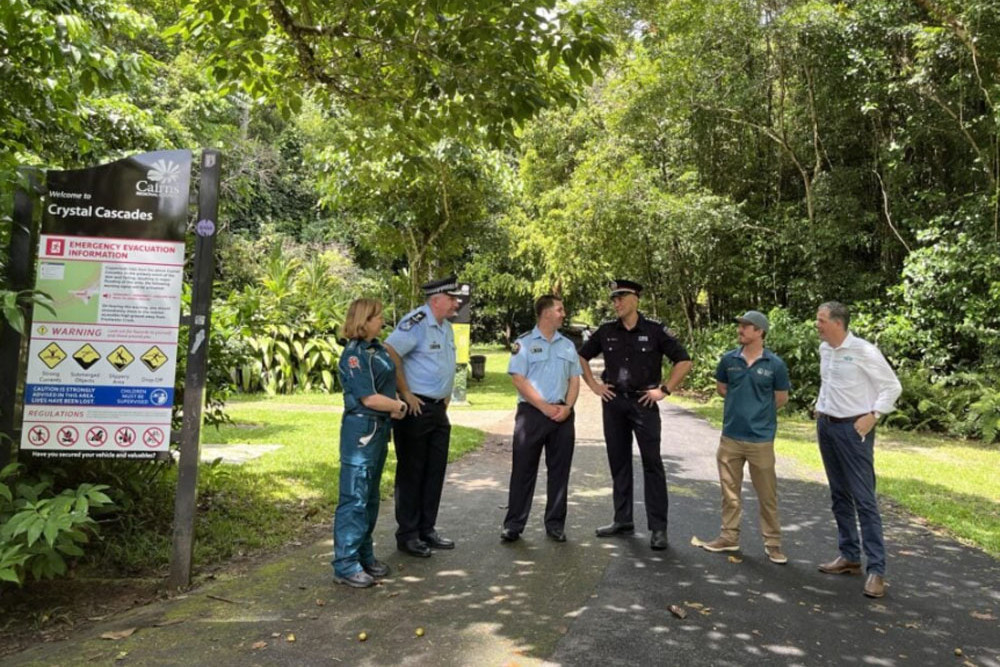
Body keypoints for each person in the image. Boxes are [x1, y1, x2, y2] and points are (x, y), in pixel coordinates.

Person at [578, 280, 692, 550]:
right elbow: (581, 357)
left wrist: (664, 389)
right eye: (614, 298)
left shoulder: (655, 331)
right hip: (614, 402)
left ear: (635, 299)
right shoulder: (606, 331)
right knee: (619, 462)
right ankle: (623, 520)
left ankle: (658, 528)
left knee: (652, 464)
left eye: (621, 297)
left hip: (644, 404)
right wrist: (594, 385)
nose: (616, 303)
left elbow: (684, 360)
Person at [814, 301, 901, 599]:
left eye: (822, 320)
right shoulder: (825, 349)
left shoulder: (864, 351)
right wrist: (820, 406)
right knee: (838, 494)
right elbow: (829, 383)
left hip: (853, 431)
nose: (817, 324)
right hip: (826, 427)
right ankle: (849, 556)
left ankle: (876, 570)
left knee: (864, 500)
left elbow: (892, 387)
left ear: (838, 323)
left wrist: (874, 415)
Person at [698, 310, 790, 564]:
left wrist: (758, 413)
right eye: (740, 325)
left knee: (767, 495)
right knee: (729, 493)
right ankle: (729, 537)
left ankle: (773, 544)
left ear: (759, 332)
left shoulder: (775, 365)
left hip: (761, 440)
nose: (740, 330)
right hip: (731, 437)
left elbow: (780, 398)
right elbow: (722, 387)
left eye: (746, 327)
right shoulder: (729, 360)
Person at [384, 276, 462, 558]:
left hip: (438, 409)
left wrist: (446, 394)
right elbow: (390, 350)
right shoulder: (415, 322)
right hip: (416, 409)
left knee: (434, 470)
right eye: (452, 298)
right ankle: (407, 534)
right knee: (412, 471)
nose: (456, 302)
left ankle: (427, 528)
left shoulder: (446, 328)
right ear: (436, 300)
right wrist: (404, 391)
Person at [333, 298, 408, 588]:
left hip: (379, 429)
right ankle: (345, 563)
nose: (383, 321)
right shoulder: (353, 356)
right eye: (378, 316)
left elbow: (387, 386)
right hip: (361, 431)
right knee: (355, 496)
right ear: (363, 320)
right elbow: (369, 397)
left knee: (371, 497)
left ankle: (364, 554)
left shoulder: (377, 350)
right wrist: (397, 407)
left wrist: (396, 403)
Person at [500, 294, 582, 544]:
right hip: (532, 415)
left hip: (562, 415)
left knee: (560, 472)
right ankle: (514, 525)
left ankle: (555, 524)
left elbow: (574, 380)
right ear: (546, 313)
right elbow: (518, 379)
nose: (563, 313)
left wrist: (568, 406)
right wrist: (543, 407)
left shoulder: (568, 345)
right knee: (523, 470)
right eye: (559, 309)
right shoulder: (523, 343)